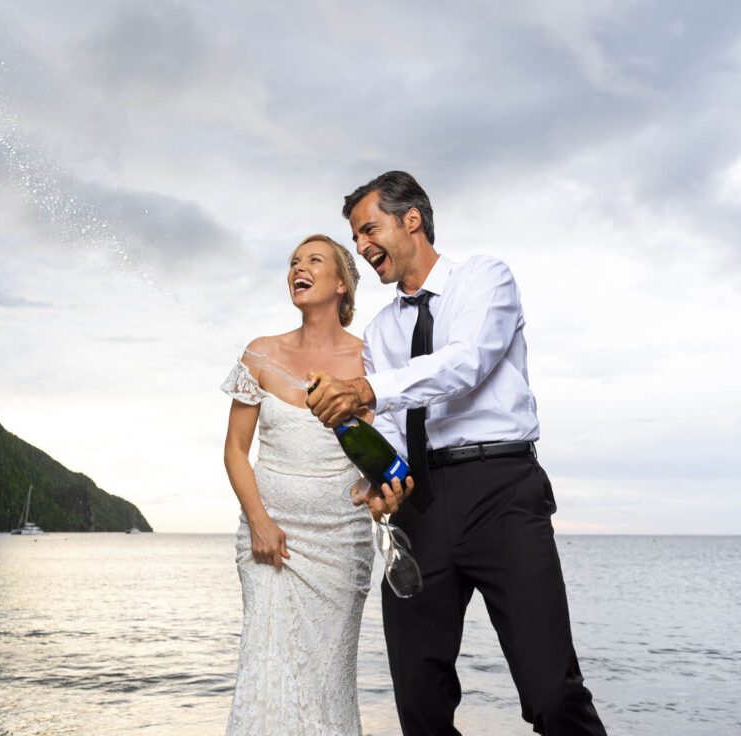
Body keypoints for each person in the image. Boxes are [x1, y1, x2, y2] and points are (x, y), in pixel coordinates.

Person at [306, 171, 607, 736]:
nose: (363, 247)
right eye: (355, 239)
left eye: (369, 229)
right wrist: (380, 478)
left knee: (550, 694)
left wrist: (370, 391)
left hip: (502, 491)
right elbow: (394, 427)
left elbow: (466, 362)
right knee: (419, 705)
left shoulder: (485, 279)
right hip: (420, 506)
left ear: (411, 219)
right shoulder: (379, 332)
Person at [222, 234, 403, 735]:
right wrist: (259, 522)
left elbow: (386, 450)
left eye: (313, 260)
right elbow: (235, 451)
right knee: (266, 672)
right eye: (293, 263)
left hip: (340, 545)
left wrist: (380, 494)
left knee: (327, 684)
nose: (297, 269)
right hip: (268, 540)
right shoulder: (259, 354)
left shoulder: (372, 362)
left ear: (342, 284)